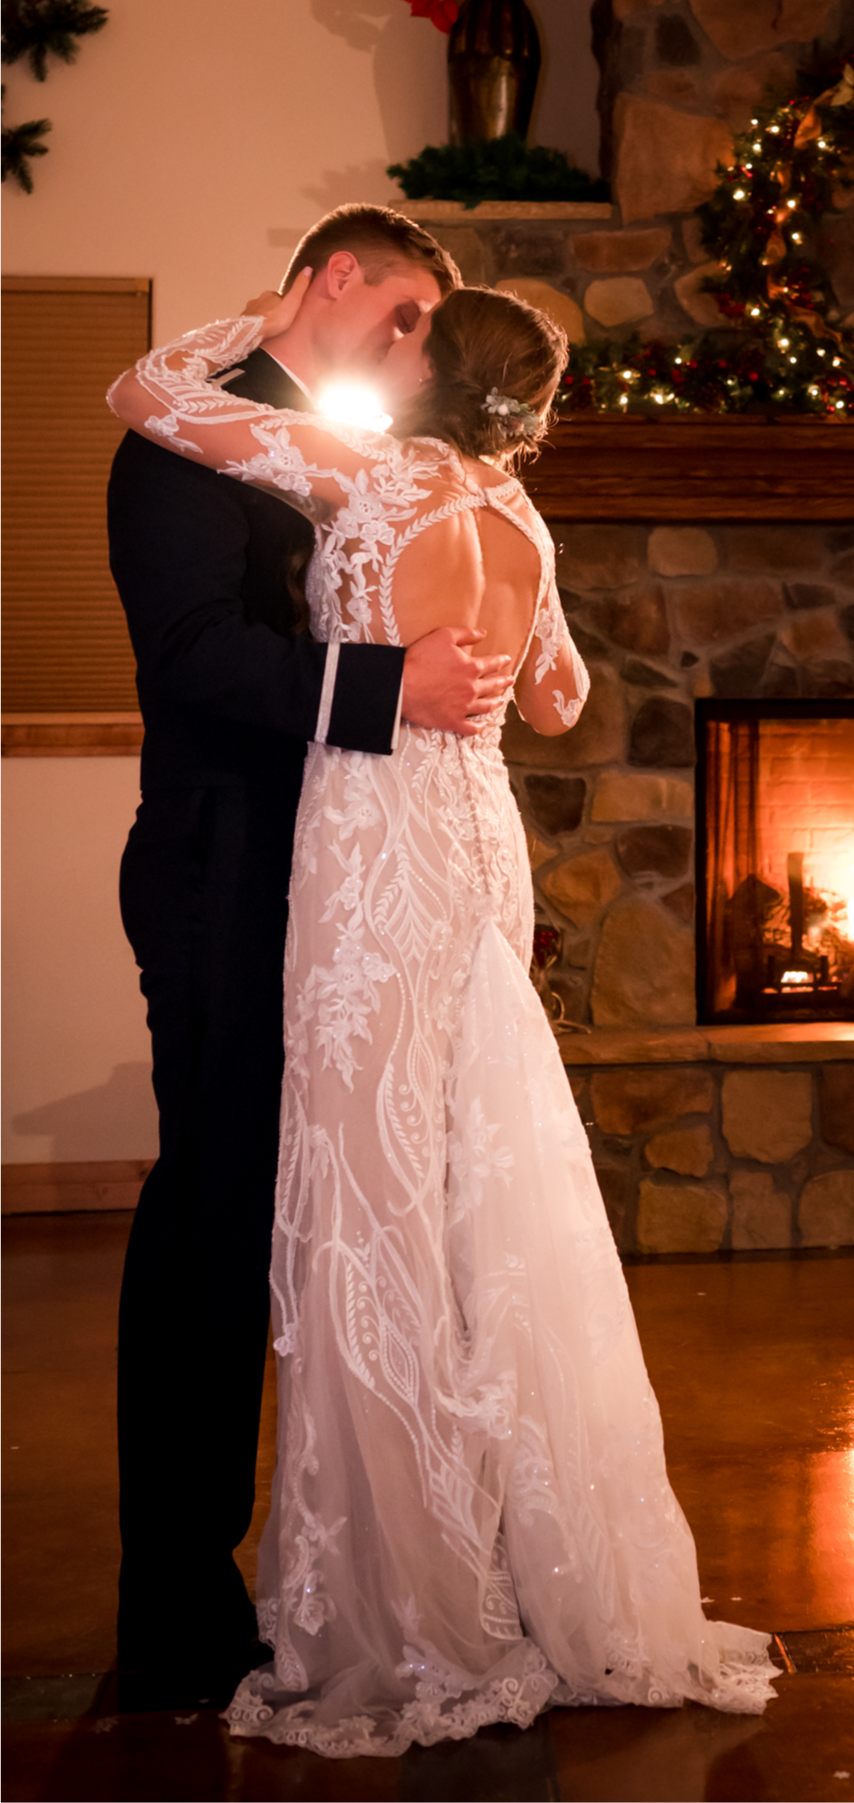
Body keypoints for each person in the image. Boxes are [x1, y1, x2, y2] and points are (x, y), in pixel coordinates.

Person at [106, 276, 778, 1755]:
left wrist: (257, 304)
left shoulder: (366, 471)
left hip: (371, 855)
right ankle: (531, 1559)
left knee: (369, 1198)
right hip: (479, 856)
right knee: (487, 1187)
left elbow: (144, 394)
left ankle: (403, 1589)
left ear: (421, 365)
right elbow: (556, 702)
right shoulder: (525, 520)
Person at [107, 205, 509, 1715]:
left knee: (361, 1224)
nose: (411, 355)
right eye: (399, 316)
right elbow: (195, 656)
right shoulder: (182, 444)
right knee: (216, 1208)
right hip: (227, 870)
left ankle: (344, 1575)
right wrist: (384, 686)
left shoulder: (358, 450)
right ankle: (175, 1599)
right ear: (330, 279)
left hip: (360, 894)